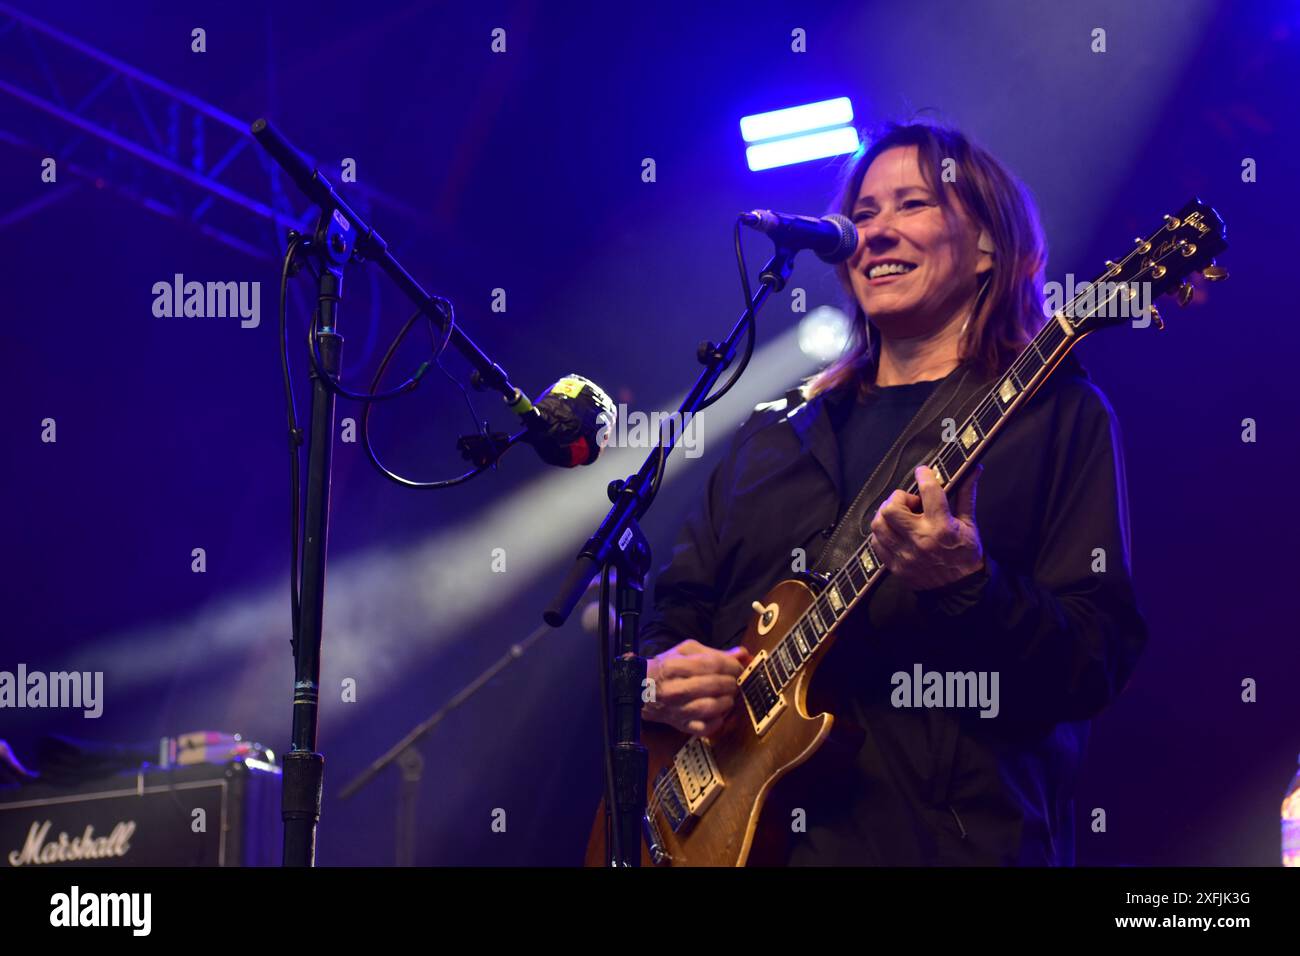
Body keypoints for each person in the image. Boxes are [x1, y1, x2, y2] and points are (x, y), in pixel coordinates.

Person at [637, 121, 1148, 865]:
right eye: (864, 212)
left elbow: (1096, 661)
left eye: (911, 205)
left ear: (987, 248)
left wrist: (968, 586)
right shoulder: (774, 432)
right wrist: (660, 680)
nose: (872, 233)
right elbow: (673, 613)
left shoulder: (1055, 415)